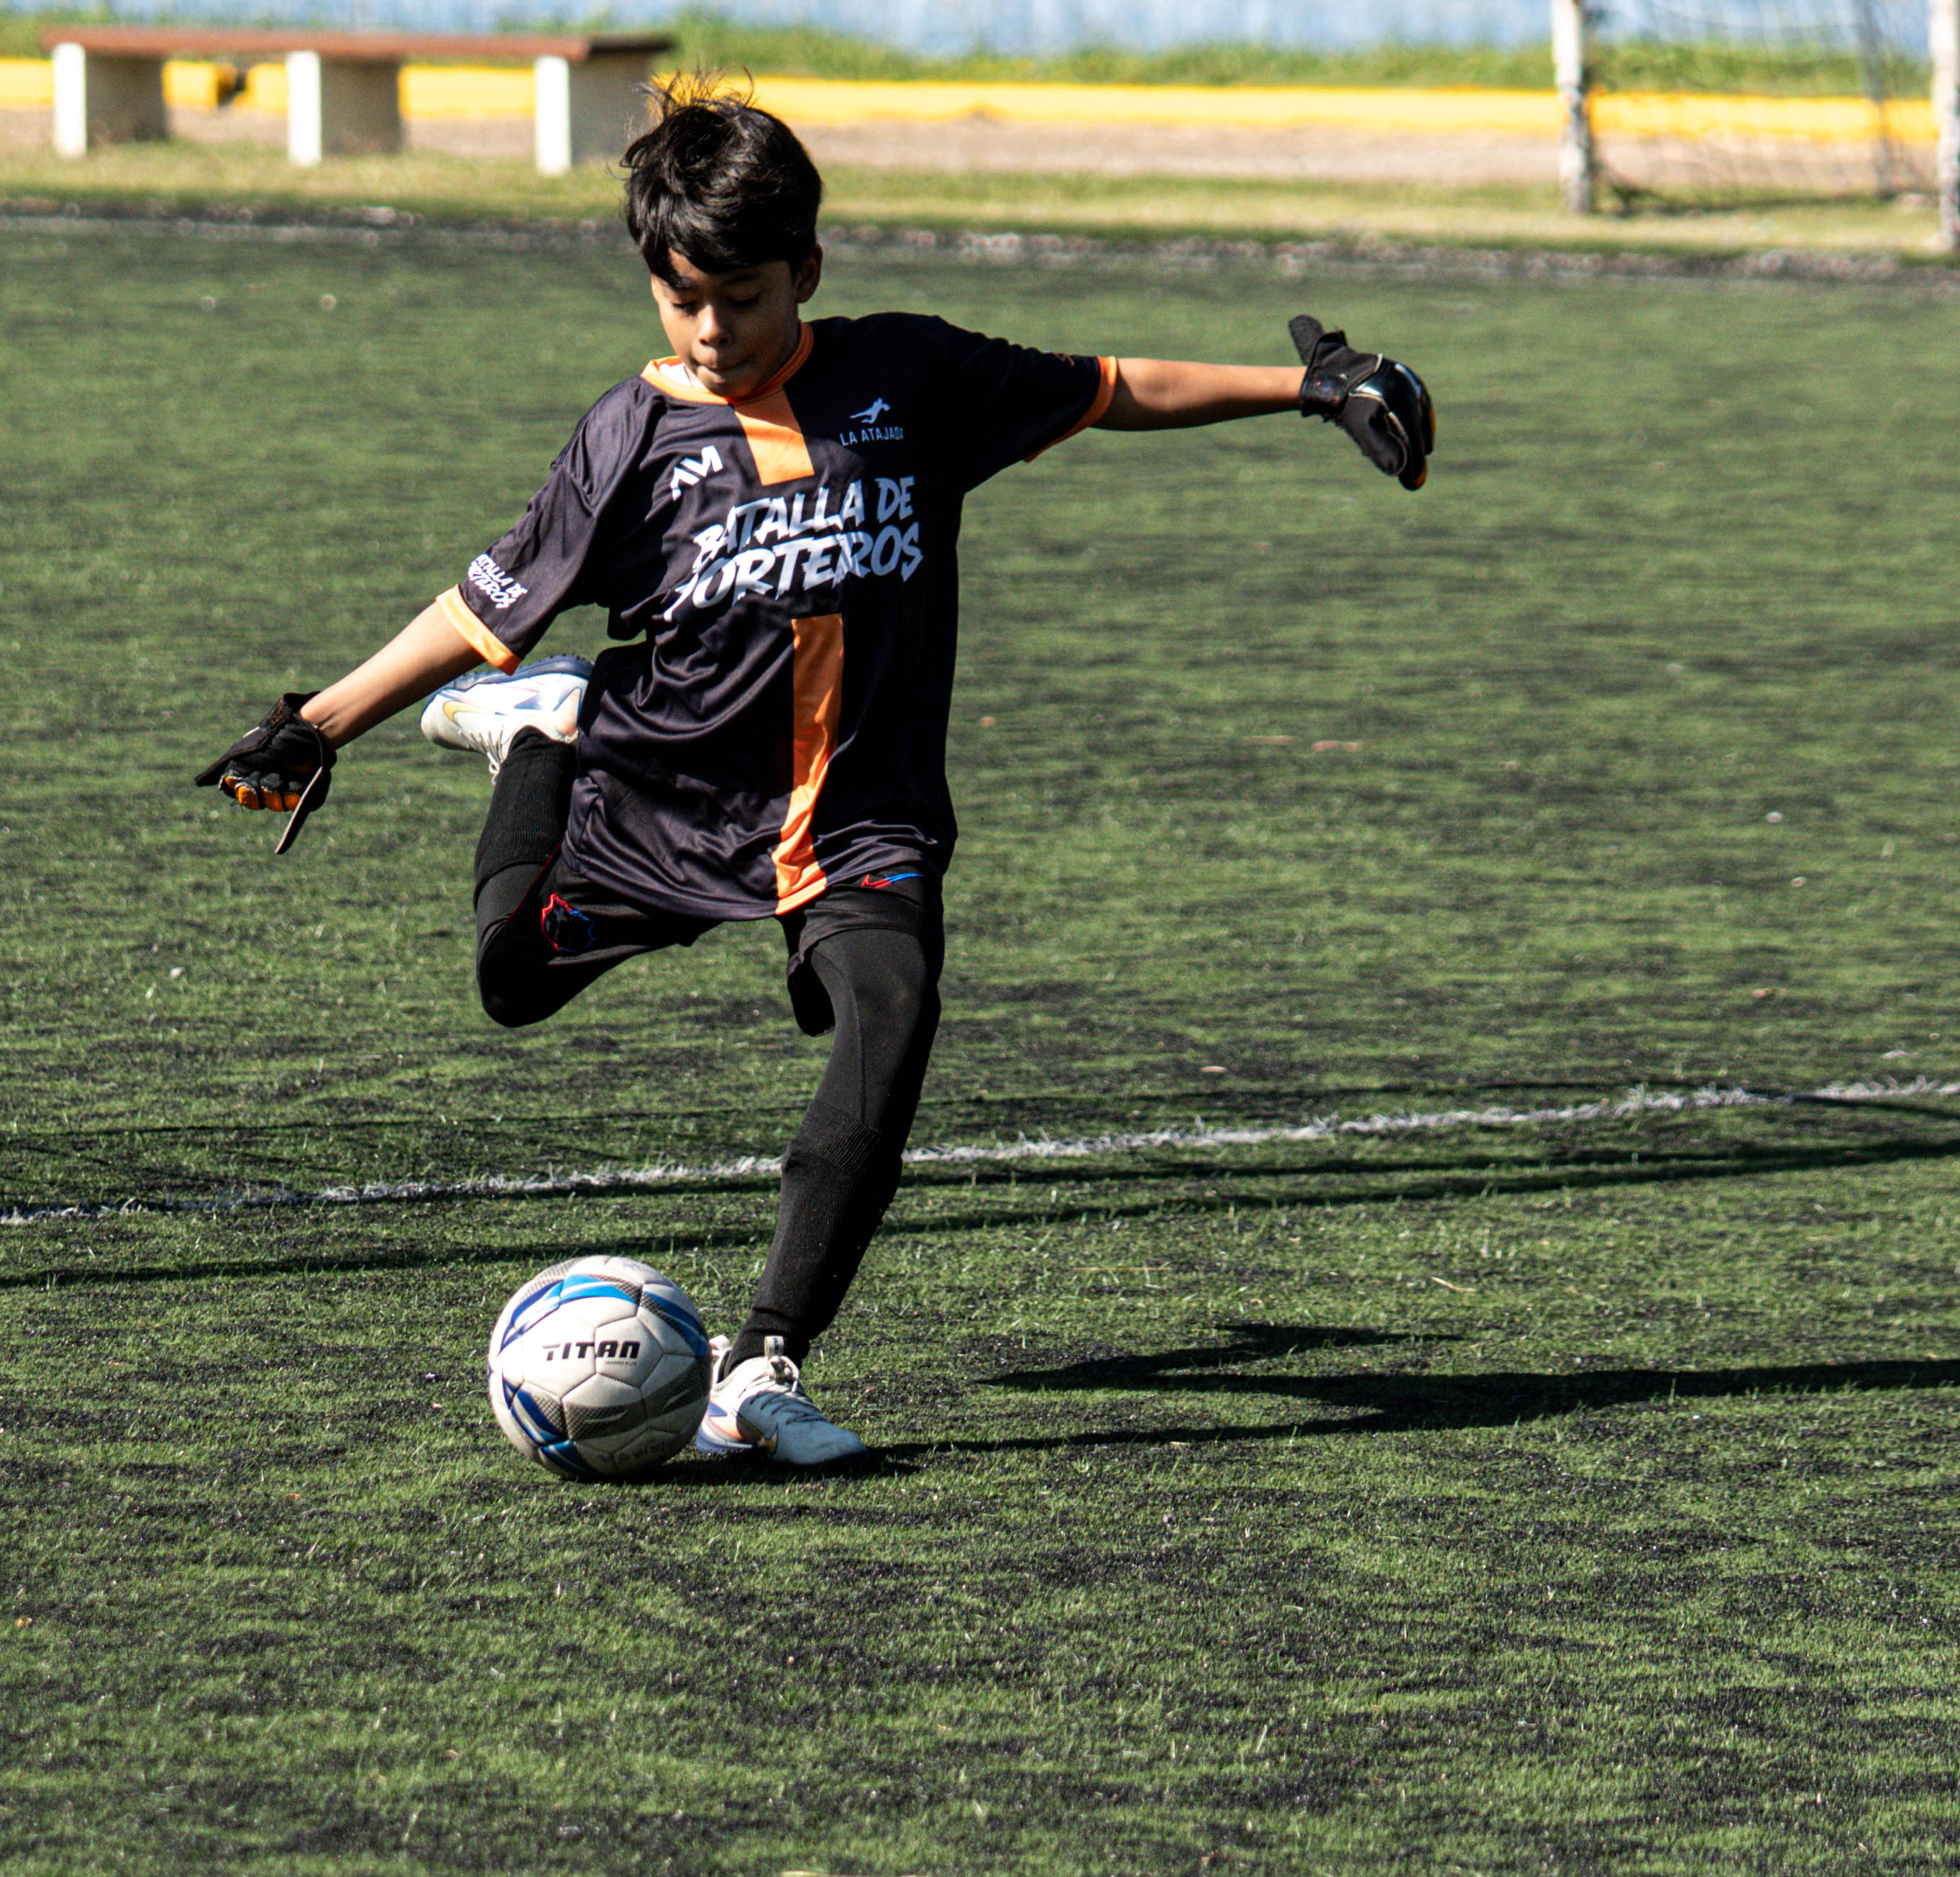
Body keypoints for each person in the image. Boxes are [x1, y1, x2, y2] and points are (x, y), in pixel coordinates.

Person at [196, 92, 1432, 1475]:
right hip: (664, 797)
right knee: (511, 984)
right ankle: (545, 736)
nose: (711, 330)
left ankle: (761, 1363)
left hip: (862, 811)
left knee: (892, 1014)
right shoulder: (627, 441)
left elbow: (1106, 387)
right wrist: (322, 721)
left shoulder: (914, 377)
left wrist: (1314, 389)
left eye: (742, 297)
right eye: (681, 300)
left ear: (809, 275)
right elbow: (484, 610)